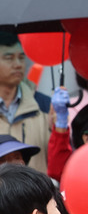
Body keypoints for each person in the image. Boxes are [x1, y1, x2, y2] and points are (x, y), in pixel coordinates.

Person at [0, 32, 50, 172]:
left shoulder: (44, 105)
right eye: (9, 58)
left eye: (21, 58)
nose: (18, 64)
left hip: (37, 192)